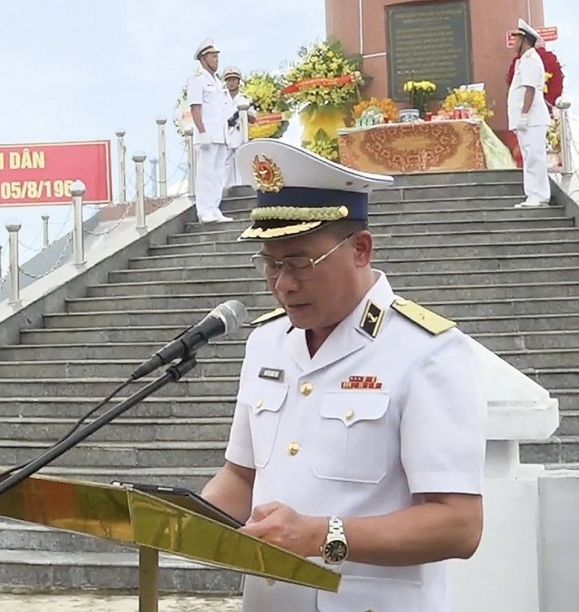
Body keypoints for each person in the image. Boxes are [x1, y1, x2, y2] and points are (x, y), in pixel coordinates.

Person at [200, 139, 486, 611]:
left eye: (300, 264)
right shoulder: (266, 343)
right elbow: (241, 478)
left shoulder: (426, 352)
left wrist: (320, 535)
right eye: (270, 264)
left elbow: (458, 524)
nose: (283, 285)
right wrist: (182, 523)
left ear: (361, 249)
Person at [187, 39, 233, 222]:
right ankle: (204, 210)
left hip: (221, 134)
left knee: (218, 174)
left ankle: (215, 208)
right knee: (205, 174)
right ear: (203, 59)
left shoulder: (218, 83)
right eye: (213, 57)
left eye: (217, 57)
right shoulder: (197, 81)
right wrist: (202, 131)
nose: (216, 60)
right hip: (207, 134)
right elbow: (195, 108)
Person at [508, 18, 551, 207]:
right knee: (530, 156)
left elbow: (530, 89)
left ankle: (538, 195)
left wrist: (524, 115)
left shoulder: (531, 60)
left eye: (517, 39)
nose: (514, 43)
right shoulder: (524, 61)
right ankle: (535, 194)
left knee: (534, 156)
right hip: (527, 118)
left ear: (524, 40)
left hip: (532, 118)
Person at [221, 65, 257, 188]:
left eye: (234, 80)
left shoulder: (245, 99)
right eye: (229, 80)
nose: (231, 83)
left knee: (241, 161)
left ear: (238, 81)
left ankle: (242, 187)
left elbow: (253, 119)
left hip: (240, 134)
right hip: (225, 134)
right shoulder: (220, 99)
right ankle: (227, 188)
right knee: (226, 164)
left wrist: (244, 114)